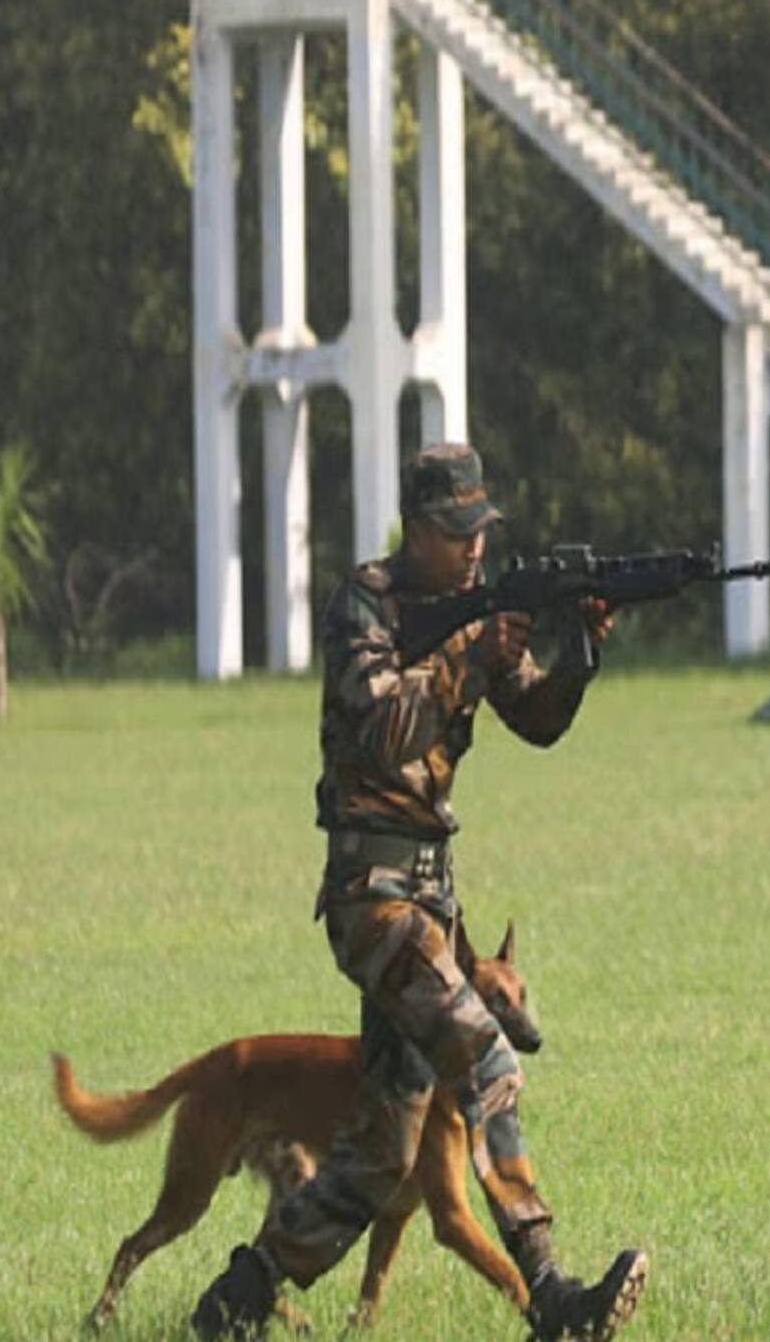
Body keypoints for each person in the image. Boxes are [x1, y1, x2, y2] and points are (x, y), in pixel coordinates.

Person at [192, 444, 647, 1341]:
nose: (475, 549)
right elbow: (378, 730)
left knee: (381, 1152)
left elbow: (539, 718)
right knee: (488, 1059)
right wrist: (467, 659)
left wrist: (580, 648)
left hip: (429, 901)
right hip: (373, 896)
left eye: (482, 532)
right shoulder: (365, 604)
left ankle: (237, 1298)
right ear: (416, 527)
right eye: (455, 533)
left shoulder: (472, 616)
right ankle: (553, 1293)